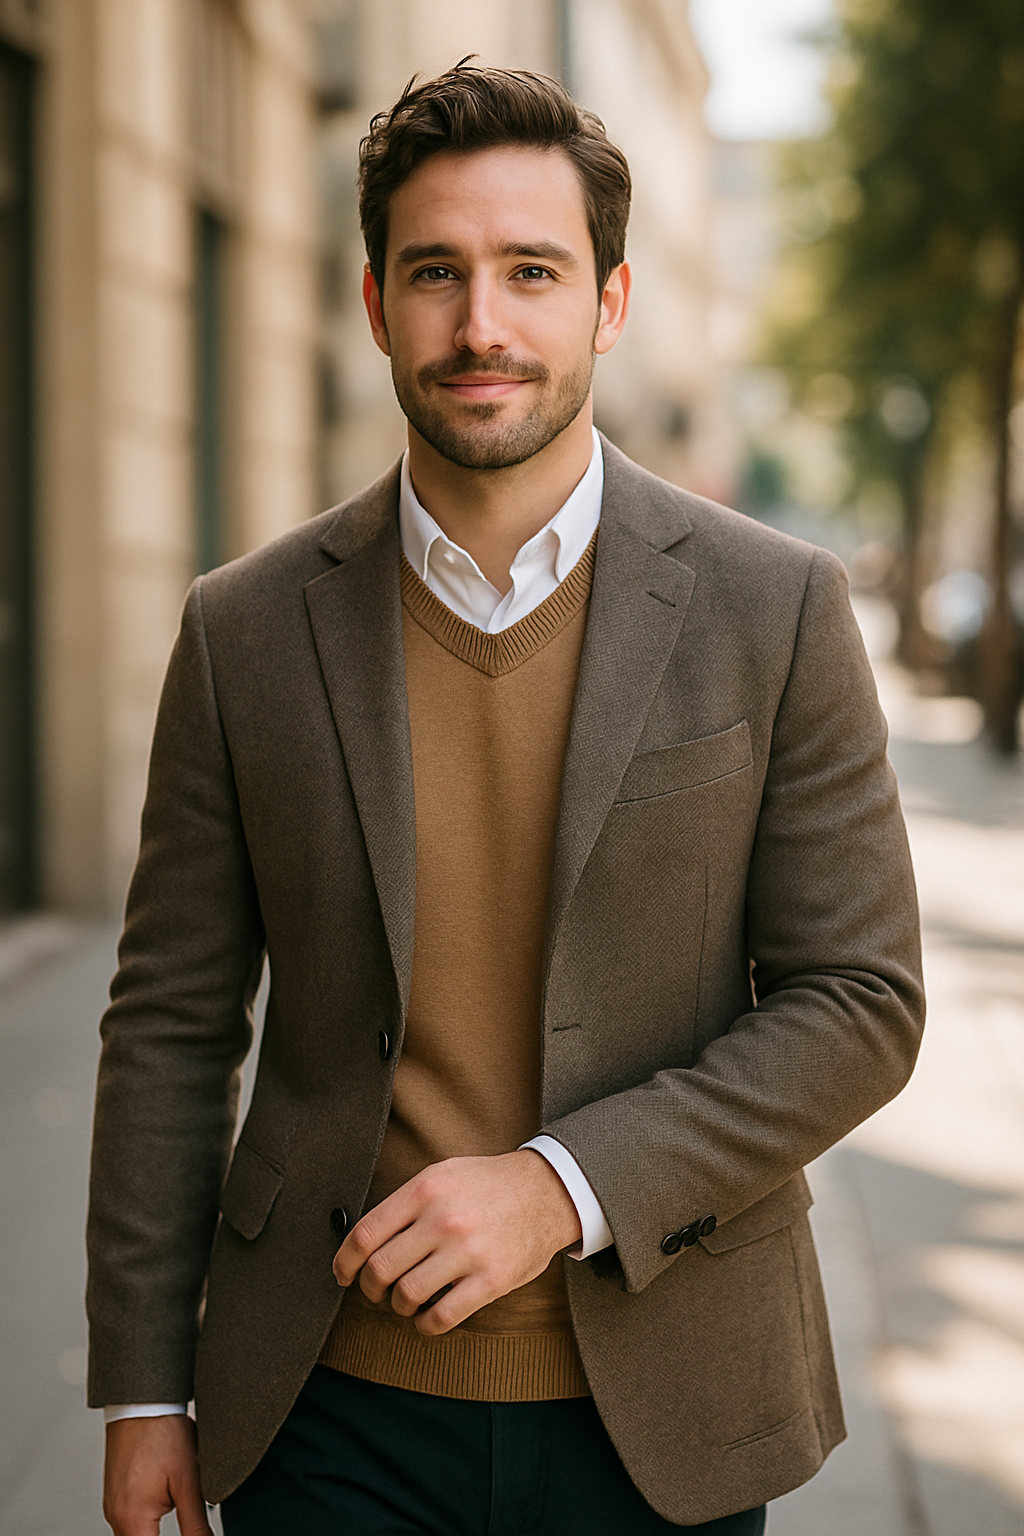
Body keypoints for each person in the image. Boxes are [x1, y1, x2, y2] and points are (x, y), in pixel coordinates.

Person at [87, 62, 924, 1536]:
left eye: (532, 271)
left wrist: (562, 1186)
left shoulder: (774, 608)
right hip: (325, 1411)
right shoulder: (243, 630)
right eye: (437, 273)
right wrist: (144, 1387)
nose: (482, 324)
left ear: (610, 302)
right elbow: (170, 1022)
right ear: (374, 305)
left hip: (666, 1404)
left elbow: (860, 999)